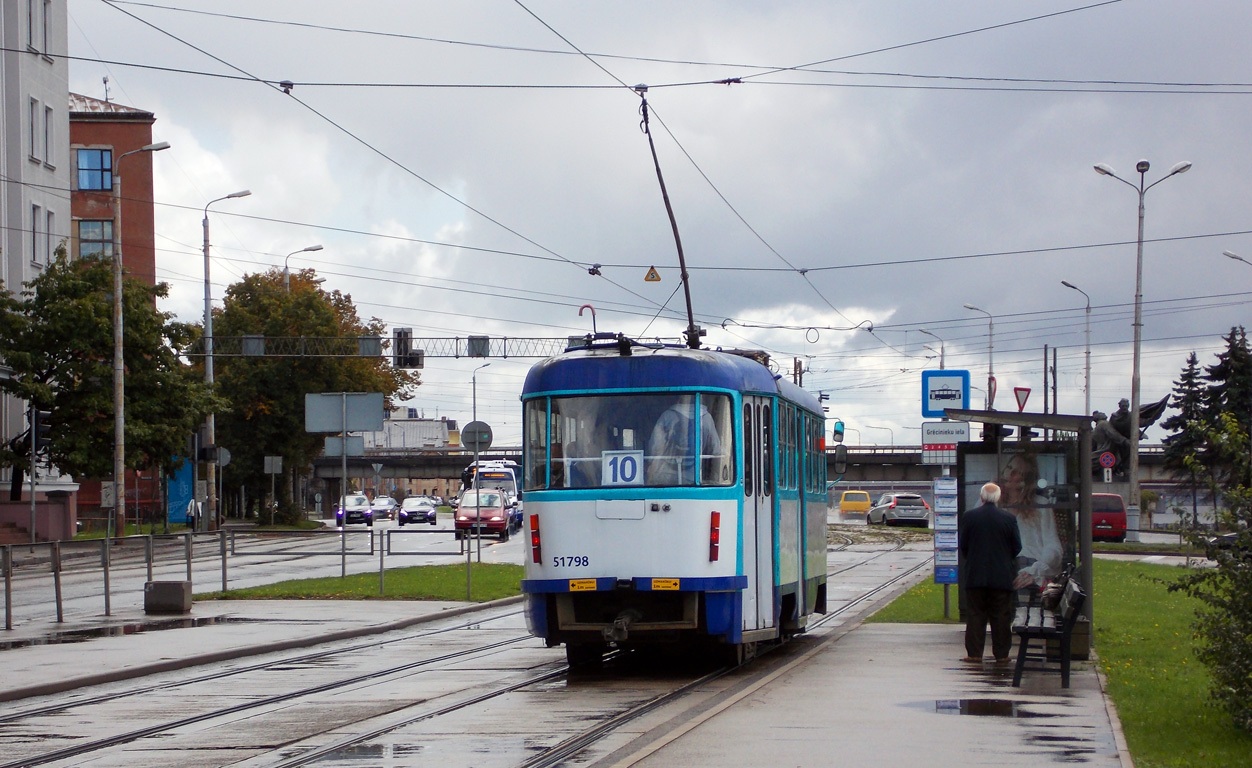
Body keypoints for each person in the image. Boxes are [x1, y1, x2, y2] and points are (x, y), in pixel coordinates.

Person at [959, 482, 1022, 662]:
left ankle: (974, 654)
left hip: (975, 576)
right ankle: (1002, 655)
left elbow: (964, 545)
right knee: (1001, 616)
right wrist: (1003, 558)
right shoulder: (1008, 519)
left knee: (975, 615)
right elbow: (1017, 547)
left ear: (981, 497)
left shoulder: (969, 517)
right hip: (1001, 577)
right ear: (998, 498)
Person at [999, 452, 1065, 595]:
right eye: (1009, 467)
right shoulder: (992, 503)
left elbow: (1053, 547)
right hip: (1000, 566)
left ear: (1026, 480)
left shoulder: (1041, 505)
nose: (1010, 473)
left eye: (1017, 472)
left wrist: (1036, 570)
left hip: (1029, 566)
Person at [645, 398, 723, 485]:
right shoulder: (707, 418)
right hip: (693, 475)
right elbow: (716, 449)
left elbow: (655, 447)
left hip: (666, 474)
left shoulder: (667, 416)